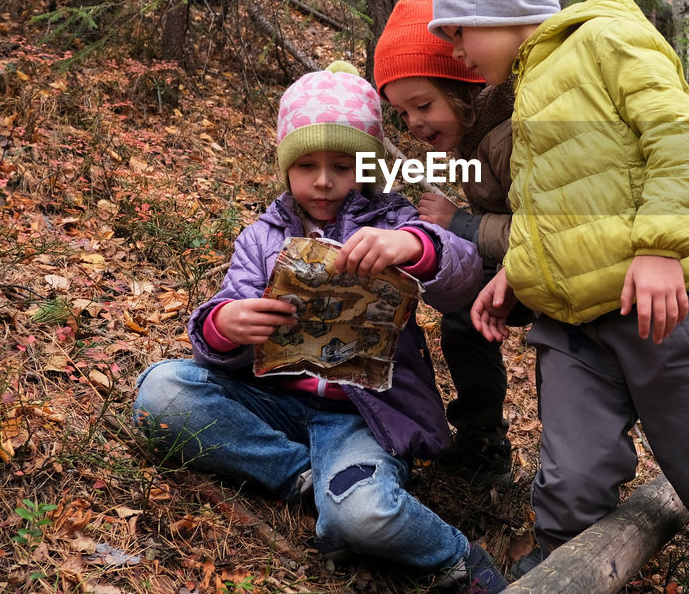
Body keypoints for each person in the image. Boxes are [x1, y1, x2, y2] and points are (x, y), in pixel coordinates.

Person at [427, 0, 689, 576]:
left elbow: (676, 135)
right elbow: (550, 204)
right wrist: (518, 272)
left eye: (457, 27)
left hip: (660, 315)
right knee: (570, 485)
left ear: (502, 4)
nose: (454, 49)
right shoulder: (523, 96)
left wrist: (663, 247)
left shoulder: (607, 37)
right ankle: (560, 571)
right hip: (574, 329)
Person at [132, 60, 508, 592]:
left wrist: (416, 247)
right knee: (162, 392)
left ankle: (455, 556)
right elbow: (220, 329)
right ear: (286, 168)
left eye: (344, 164)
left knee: (364, 517)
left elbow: (462, 274)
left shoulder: (393, 222)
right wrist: (226, 326)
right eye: (306, 164)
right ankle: (303, 480)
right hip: (270, 402)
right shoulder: (262, 238)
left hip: (361, 416)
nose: (325, 180)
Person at [373, 0, 527, 486]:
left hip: (554, 267)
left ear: (463, 84)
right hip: (513, 263)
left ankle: (492, 441)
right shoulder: (470, 134)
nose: (414, 124)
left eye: (423, 104)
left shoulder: (507, 136)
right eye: (402, 114)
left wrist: (458, 224)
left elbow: (543, 230)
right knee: (461, 306)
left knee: (469, 305)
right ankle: (481, 437)